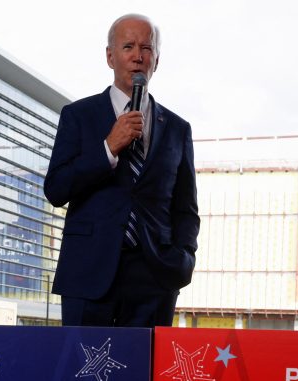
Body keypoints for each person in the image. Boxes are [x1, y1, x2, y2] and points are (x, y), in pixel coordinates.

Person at [44, 13, 199, 327]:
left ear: (156, 60)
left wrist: (182, 259)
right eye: (128, 46)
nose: (138, 56)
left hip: (155, 277)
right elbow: (56, 189)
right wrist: (107, 148)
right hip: (88, 273)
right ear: (110, 56)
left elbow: (186, 209)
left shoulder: (177, 129)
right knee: (83, 375)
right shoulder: (78, 115)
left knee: (146, 375)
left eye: (147, 48)